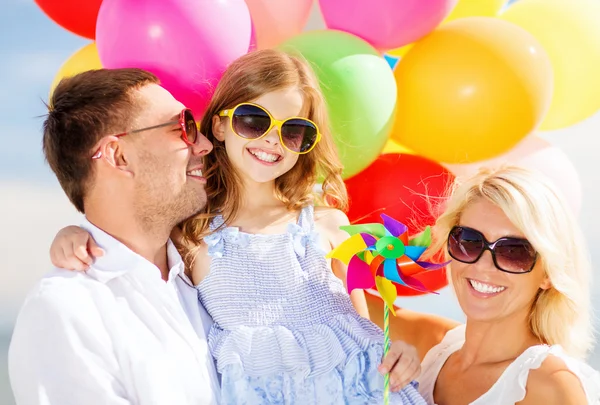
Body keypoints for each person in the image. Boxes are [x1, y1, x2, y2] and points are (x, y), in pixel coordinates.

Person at [48, 49, 426, 404]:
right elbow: (130, 233)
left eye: (293, 130)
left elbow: (363, 329)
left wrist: (397, 354)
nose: (272, 140)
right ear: (221, 126)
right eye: (253, 121)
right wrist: (74, 235)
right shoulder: (190, 233)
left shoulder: (328, 224)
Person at [8, 68, 221, 405]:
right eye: (184, 126)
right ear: (118, 155)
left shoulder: (211, 279)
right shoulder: (65, 312)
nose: (206, 144)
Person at [382, 166, 600, 404]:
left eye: (514, 251)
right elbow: (337, 299)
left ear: (548, 274)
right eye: (469, 241)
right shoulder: (432, 344)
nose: (483, 266)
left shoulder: (550, 386)